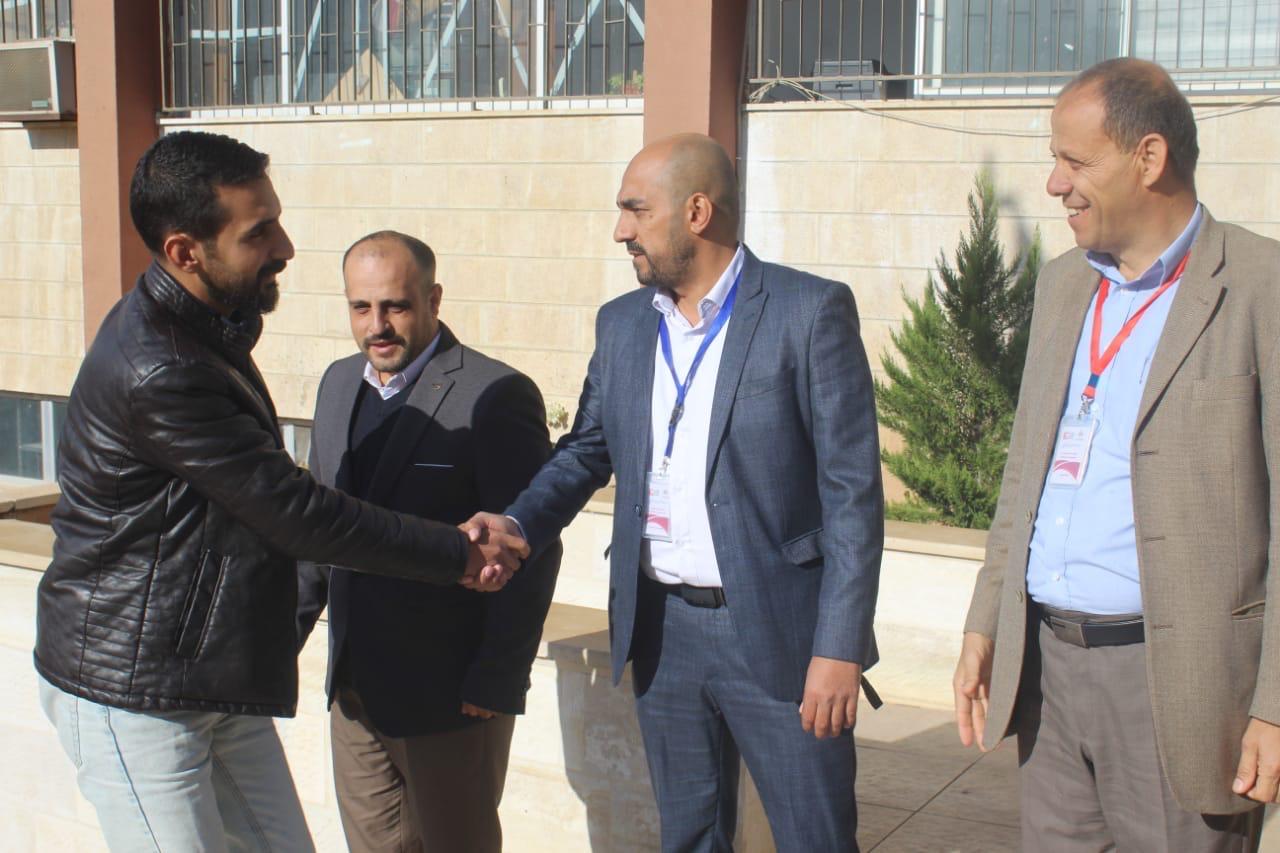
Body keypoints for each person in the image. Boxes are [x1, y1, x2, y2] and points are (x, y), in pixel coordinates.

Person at [33, 131, 526, 852]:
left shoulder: (207, 331)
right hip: (133, 693)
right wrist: (459, 551)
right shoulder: (163, 366)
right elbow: (295, 511)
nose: (285, 247)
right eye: (257, 232)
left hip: (206, 680)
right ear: (185, 252)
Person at [465, 133, 884, 851]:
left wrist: (839, 648)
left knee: (814, 838)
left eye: (636, 210)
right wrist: (519, 524)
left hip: (781, 634)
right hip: (662, 630)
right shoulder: (623, 324)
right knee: (688, 836)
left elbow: (852, 496)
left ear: (696, 212)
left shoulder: (808, 312)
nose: (619, 230)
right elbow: (587, 449)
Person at [953, 58, 1278, 850]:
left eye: (1075, 161)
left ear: (1149, 157)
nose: (1055, 184)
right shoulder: (1064, 285)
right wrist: (986, 620)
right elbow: (1024, 472)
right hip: (1049, 676)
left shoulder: (1260, 286)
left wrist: (1275, 704)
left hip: (1180, 686)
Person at [295, 231, 561, 853]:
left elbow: (534, 547)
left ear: (434, 299)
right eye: (361, 307)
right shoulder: (337, 385)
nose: (377, 326)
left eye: (395, 306)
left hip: (451, 697)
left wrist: (497, 678)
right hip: (354, 691)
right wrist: (283, 638)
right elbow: (317, 527)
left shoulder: (496, 395)